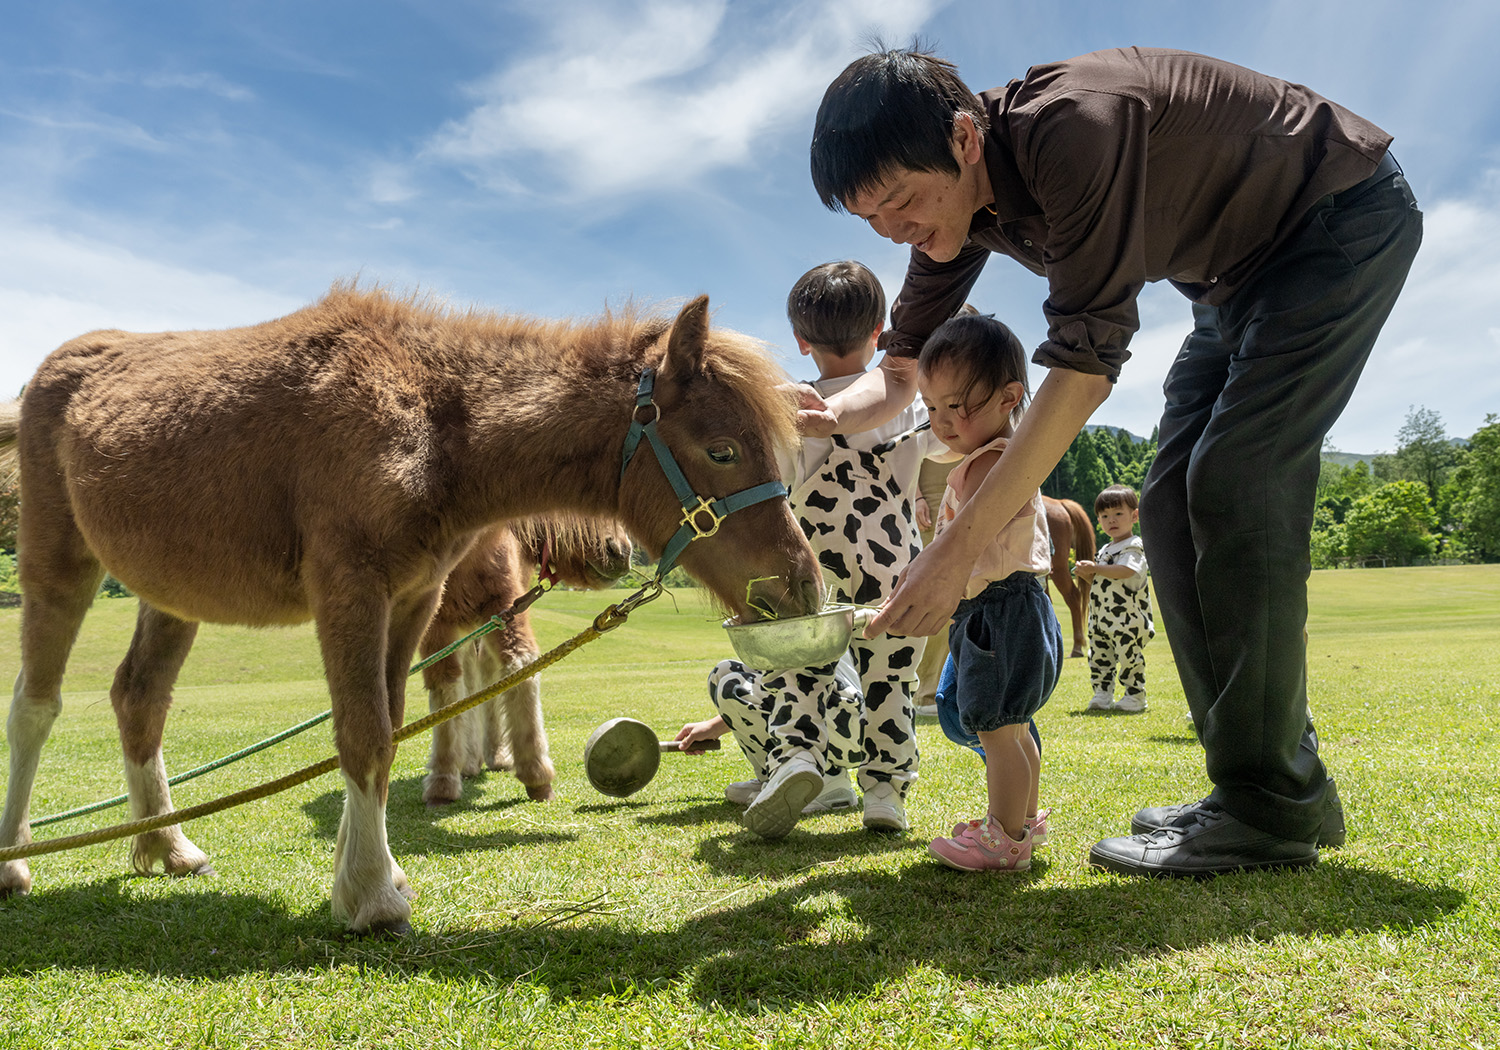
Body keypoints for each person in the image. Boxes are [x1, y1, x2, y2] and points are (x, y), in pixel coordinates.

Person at [804, 45, 1420, 875]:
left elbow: (1084, 369)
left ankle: (1268, 804)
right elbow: (897, 376)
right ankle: (1274, 787)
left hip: (1334, 220)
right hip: (1231, 285)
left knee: (1234, 482)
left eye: (903, 203)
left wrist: (952, 556)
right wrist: (805, 412)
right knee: (1170, 504)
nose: (895, 231)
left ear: (962, 138)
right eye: (871, 218)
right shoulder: (952, 212)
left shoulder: (1073, 130)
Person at [676, 260, 948, 839]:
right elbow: (944, 449)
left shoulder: (783, 412)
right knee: (890, 681)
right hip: (894, 564)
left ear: (801, 341)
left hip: (813, 564)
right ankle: (885, 795)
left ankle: (800, 761)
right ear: (880, 332)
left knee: (797, 671)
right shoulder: (907, 403)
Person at [916, 313, 1062, 871]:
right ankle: (1020, 821)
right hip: (1021, 603)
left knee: (997, 727)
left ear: (1009, 397)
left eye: (960, 405)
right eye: (932, 408)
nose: (944, 421)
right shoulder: (999, 458)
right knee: (1014, 725)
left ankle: (1006, 841)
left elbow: (958, 548)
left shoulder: (987, 465)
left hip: (996, 608)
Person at [1074, 484, 1153, 713]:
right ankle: (1102, 693)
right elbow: (1104, 583)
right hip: (1101, 620)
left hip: (1127, 620)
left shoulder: (1134, 546)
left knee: (1130, 659)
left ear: (1134, 515)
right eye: (1104, 516)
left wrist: (1096, 568)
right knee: (1099, 658)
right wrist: (1088, 575)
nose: (1112, 520)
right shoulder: (1106, 549)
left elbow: (1126, 572)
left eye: (1118, 514)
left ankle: (1135, 696)